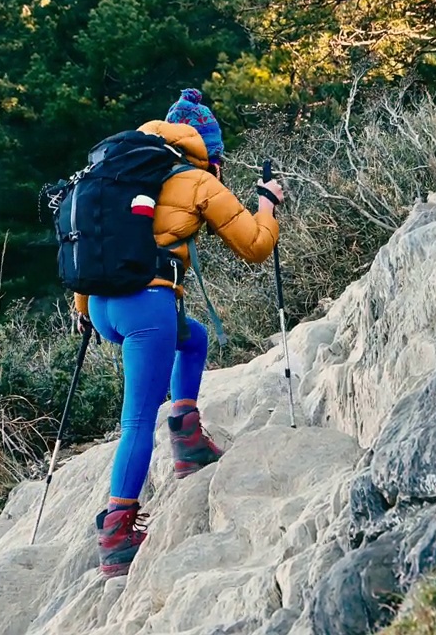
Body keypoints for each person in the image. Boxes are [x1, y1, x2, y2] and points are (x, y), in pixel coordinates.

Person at [74, 117, 284, 579]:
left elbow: (91, 237)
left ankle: (188, 439)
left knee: (194, 339)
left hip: (101, 307)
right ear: (208, 152)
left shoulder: (118, 170)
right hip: (146, 309)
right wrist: (267, 204)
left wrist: (84, 303)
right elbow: (254, 246)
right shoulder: (196, 180)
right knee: (136, 420)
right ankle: (117, 531)